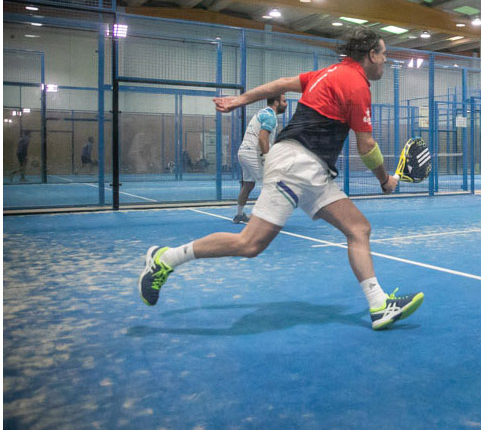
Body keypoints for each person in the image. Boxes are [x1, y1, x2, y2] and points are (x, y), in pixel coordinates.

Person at [138, 28, 424, 330]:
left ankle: (379, 305)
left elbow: (281, 83)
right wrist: (385, 180)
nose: (386, 61)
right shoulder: (356, 85)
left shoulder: (327, 73)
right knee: (250, 243)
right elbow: (366, 147)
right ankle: (166, 259)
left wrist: (240, 99)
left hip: (314, 170)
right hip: (296, 164)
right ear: (372, 55)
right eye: (384, 54)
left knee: (358, 228)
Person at [233, 94, 288, 223]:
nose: (286, 104)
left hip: (244, 153)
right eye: (284, 101)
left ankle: (239, 214)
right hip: (253, 153)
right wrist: (267, 158)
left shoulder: (262, 113)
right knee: (270, 184)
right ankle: (262, 219)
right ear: (276, 102)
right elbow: (263, 138)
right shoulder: (270, 117)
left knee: (248, 184)